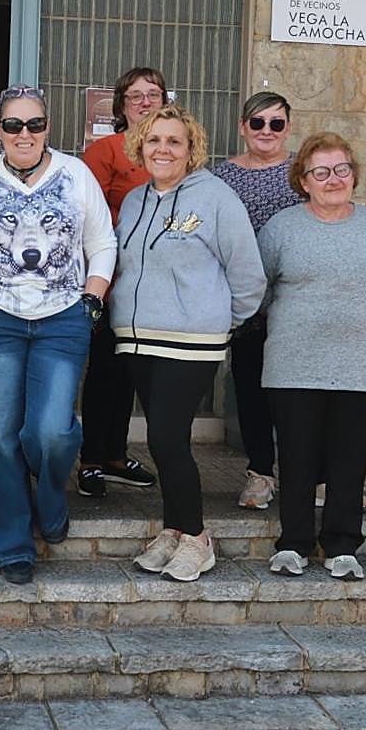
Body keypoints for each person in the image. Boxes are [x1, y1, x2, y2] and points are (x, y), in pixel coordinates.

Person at [0, 85, 116, 584]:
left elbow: (102, 242)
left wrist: (92, 297)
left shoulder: (76, 175)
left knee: (50, 430)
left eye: (34, 124)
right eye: (13, 124)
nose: (24, 133)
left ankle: (48, 495)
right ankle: (10, 544)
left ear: (47, 127)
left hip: (63, 315)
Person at [109, 105, 265, 583]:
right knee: (162, 440)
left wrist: (216, 321)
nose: (163, 149)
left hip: (191, 341)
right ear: (141, 145)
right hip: (137, 339)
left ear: (191, 148)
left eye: (174, 141)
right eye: (155, 140)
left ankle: (197, 538)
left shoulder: (217, 198)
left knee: (166, 440)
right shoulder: (135, 200)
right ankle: (174, 529)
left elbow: (248, 276)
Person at [260, 133, 366, 581]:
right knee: (298, 460)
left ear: (354, 175)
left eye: (340, 169)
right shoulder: (281, 227)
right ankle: (293, 545)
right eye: (320, 171)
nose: (332, 179)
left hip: (361, 366)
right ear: (303, 181)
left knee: (349, 461)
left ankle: (342, 546)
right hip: (294, 364)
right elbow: (259, 290)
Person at [75, 66, 169, 498]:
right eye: (136, 96)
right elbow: (88, 214)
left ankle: (116, 453)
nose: (145, 102)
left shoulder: (172, 151)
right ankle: (92, 458)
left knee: (133, 370)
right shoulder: (106, 151)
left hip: (156, 283)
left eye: (153, 94)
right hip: (110, 280)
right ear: (121, 105)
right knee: (104, 370)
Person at [211, 92, 301, 510]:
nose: (267, 131)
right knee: (250, 388)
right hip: (246, 302)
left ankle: (312, 476)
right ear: (243, 127)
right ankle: (261, 473)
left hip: (297, 300)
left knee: (302, 393)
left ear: (287, 127)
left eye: (276, 123)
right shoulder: (221, 178)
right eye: (258, 122)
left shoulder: (304, 173)